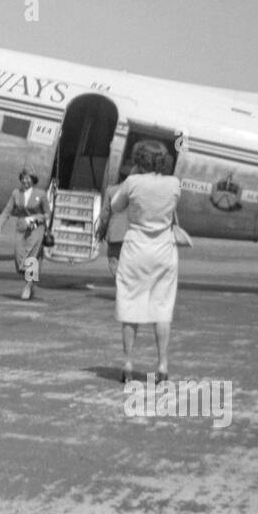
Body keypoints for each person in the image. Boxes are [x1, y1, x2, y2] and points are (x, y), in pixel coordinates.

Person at [109, 141, 181, 383]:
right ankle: (162, 365)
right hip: (164, 250)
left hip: (136, 248)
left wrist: (131, 179)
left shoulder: (133, 182)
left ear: (139, 160)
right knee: (162, 308)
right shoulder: (174, 184)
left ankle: (128, 363)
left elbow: (115, 206)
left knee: (131, 306)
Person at [0, 166, 52, 300]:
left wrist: (36, 219)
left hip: (36, 228)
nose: (25, 181)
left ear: (33, 180)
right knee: (20, 256)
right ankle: (30, 281)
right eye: (23, 178)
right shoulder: (16, 193)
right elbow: (7, 210)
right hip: (21, 228)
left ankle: (28, 285)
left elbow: (47, 213)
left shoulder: (41, 194)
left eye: (28, 178)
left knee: (31, 255)